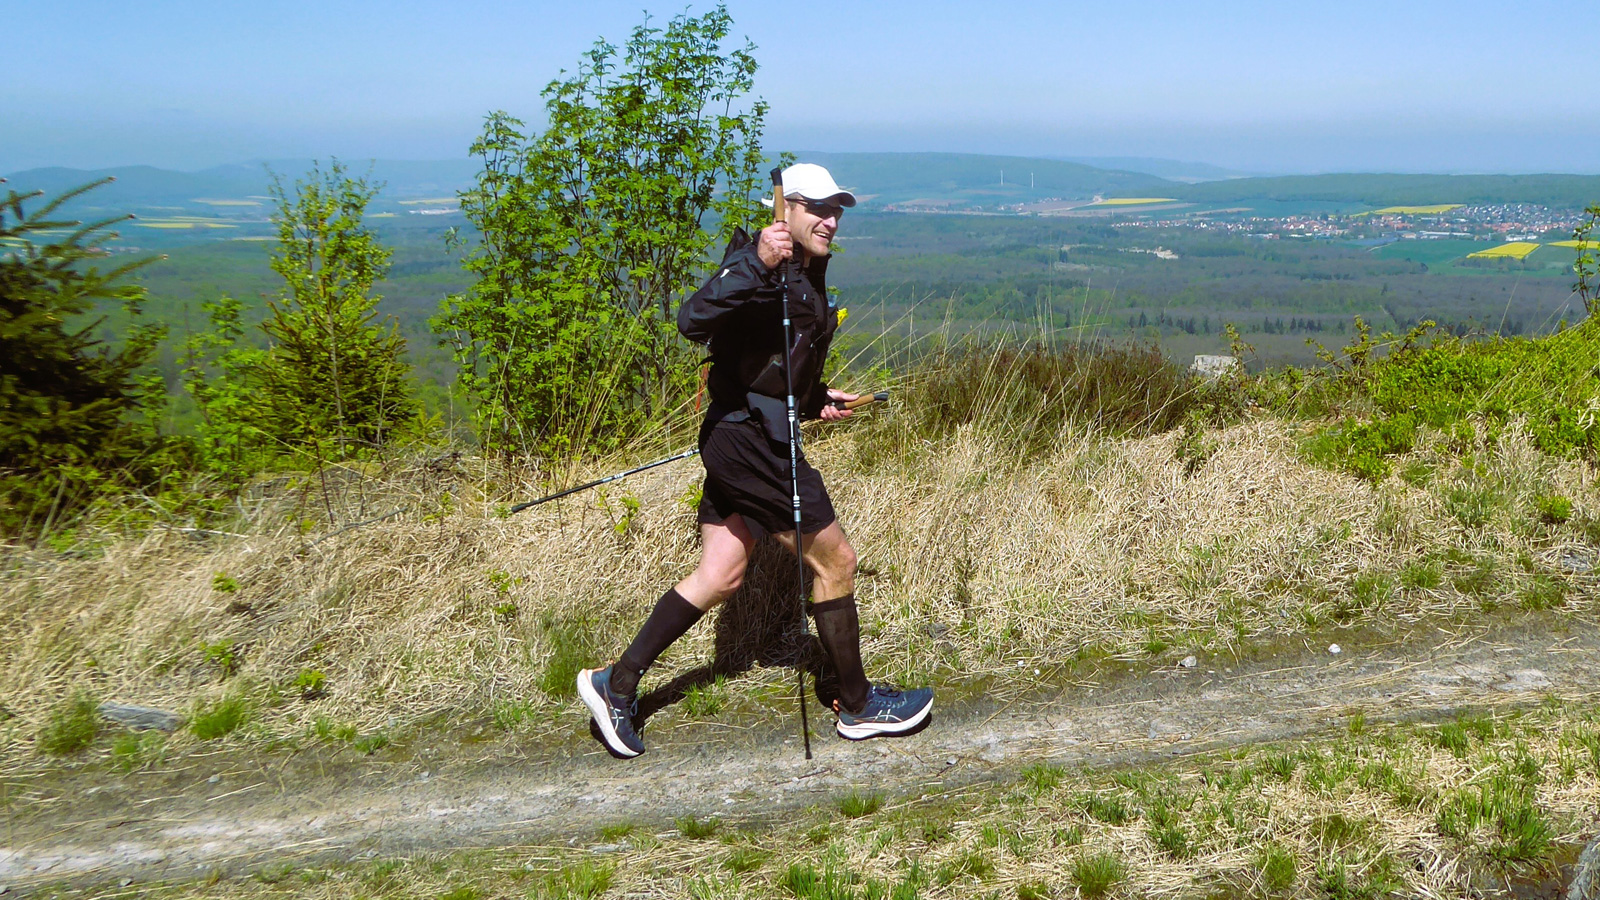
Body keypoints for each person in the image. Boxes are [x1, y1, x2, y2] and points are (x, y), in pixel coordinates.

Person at [577, 163, 934, 758]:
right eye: (818, 208)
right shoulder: (758, 264)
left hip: (742, 436)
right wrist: (758, 263)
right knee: (836, 561)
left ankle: (615, 684)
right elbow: (692, 321)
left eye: (837, 208)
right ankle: (859, 705)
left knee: (721, 575)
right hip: (750, 444)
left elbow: (772, 361)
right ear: (784, 209)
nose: (830, 219)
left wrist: (817, 398)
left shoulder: (811, 269)